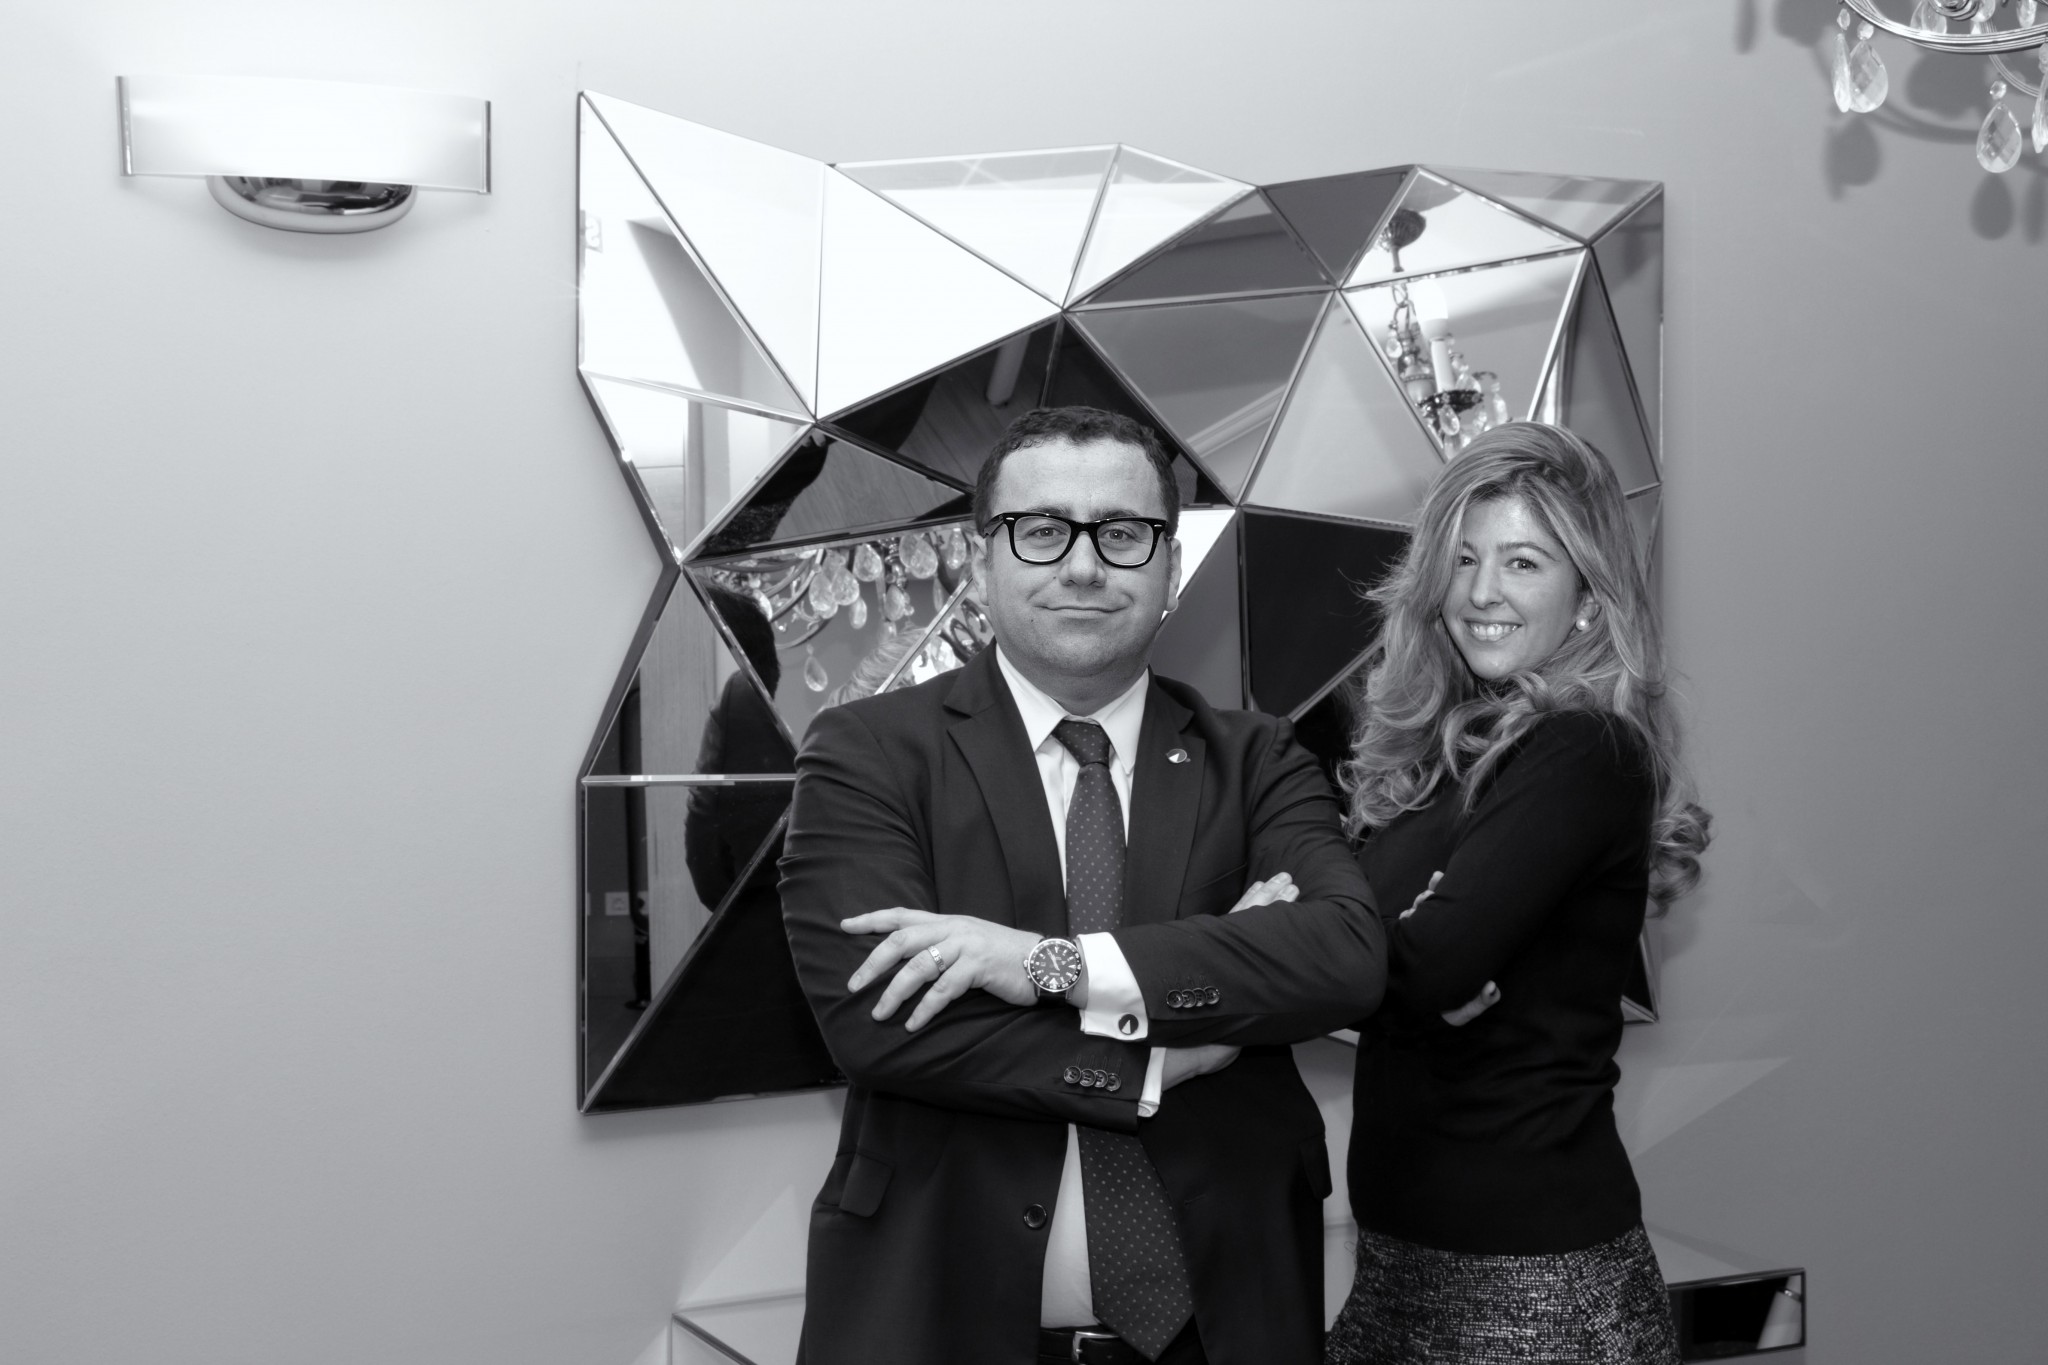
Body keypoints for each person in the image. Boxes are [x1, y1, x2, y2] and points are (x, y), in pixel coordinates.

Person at [779, 405, 1388, 1365]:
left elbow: (1344, 956)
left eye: (1123, 533)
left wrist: (1050, 965)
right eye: (1042, 529)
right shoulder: (869, 753)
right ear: (982, 558)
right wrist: (1164, 1060)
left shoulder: (1257, 757)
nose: (1083, 566)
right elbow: (882, 1018)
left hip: (1226, 1328)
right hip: (943, 1324)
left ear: (1170, 567)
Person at [1322, 422, 1711, 1365]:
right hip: (1399, 1271)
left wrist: (1393, 956)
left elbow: (1429, 961)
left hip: (1538, 1295)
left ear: (1588, 597)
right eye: (1463, 559)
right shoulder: (1442, 759)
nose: (1481, 592)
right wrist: (1394, 956)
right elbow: (1391, 954)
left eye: (1523, 562)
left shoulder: (1582, 747)